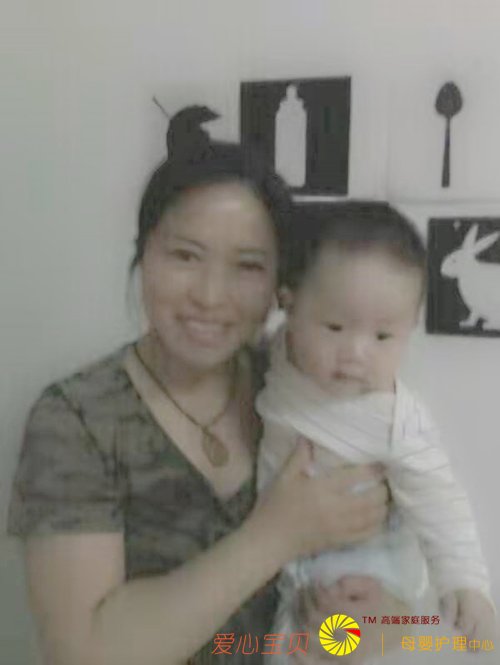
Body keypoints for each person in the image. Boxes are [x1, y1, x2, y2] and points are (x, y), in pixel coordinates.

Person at [6, 110, 389, 665]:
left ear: (280, 285)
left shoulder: (300, 388)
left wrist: (368, 620)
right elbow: (82, 652)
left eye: (247, 266)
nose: (210, 296)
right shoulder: (78, 418)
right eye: (185, 256)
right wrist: (275, 535)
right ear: (143, 254)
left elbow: (381, 560)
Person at [256, 202, 497, 663]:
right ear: (289, 305)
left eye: (383, 337)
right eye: (334, 327)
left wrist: (466, 583)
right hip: (290, 564)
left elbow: (439, 501)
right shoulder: (277, 357)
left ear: (409, 329)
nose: (356, 352)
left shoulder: (395, 418)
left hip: (366, 565)